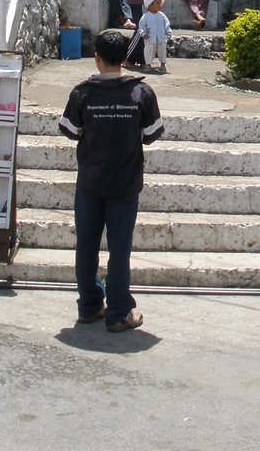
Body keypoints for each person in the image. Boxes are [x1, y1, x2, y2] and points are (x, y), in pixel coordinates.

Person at [58, 30, 164, 332]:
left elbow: (70, 130)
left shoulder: (82, 93)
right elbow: (151, 134)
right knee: (120, 249)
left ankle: (90, 306)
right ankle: (118, 312)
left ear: (97, 58)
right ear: (126, 58)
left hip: (90, 183)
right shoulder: (141, 93)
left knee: (86, 246)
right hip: (125, 184)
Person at [138, 0, 172, 72]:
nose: (160, 5)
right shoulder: (145, 16)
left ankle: (163, 65)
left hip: (161, 37)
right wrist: (143, 34)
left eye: (160, 3)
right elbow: (141, 26)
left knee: (162, 51)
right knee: (149, 51)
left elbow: (167, 24)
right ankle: (148, 65)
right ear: (150, 5)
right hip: (150, 38)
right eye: (158, 3)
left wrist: (168, 32)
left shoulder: (162, 15)